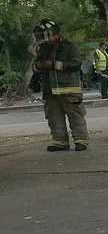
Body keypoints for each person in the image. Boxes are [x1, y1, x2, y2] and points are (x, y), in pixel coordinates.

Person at [31, 20, 89, 151]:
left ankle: (81, 140)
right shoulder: (43, 48)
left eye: (46, 34)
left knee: (75, 116)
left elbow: (76, 64)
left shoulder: (69, 46)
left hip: (69, 89)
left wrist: (55, 65)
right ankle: (60, 141)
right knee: (54, 117)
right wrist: (39, 66)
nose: (45, 38)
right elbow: (35, 66)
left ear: (55, 33)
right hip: (50, 90)